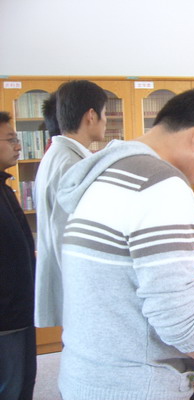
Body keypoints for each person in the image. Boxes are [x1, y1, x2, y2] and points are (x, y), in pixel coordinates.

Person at [55, 88, 194, 399]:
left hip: (87, 372)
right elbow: (177, 317)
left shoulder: (106, 173)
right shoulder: (162, 186)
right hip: (135, 385)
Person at [34, 80, 108, 328]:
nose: (106, 121)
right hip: (77, 287)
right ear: (91, 115)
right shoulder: (71, 163)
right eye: (104, 113)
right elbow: (68, 234)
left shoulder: (58, 154)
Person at [0, 112, 36, 400]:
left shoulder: (4, 187)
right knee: (10, 387)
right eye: (11, 139)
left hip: (20, 311)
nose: (18, 145)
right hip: (6, 318)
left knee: (23, 383)